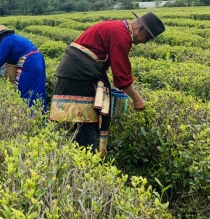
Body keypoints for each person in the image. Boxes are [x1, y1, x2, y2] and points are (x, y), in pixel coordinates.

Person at [49, 12, 165, 157]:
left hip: (74, 71)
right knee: (86, 121)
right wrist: (137, 99)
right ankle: (85, 160)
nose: (144, 43)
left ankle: (66, 156)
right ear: (141, 29)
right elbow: (121, 76)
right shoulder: (121, 35)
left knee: (72, 120)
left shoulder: (117, 27)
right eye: (147, 39)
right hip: (80, 74)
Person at [0, 25, 46, 110]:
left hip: (29, 63)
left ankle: (28, 113)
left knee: (24, 88)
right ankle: (39, 112)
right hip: (38, 59)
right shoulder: (13, 38)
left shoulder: (6, 40)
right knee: (37, 87)